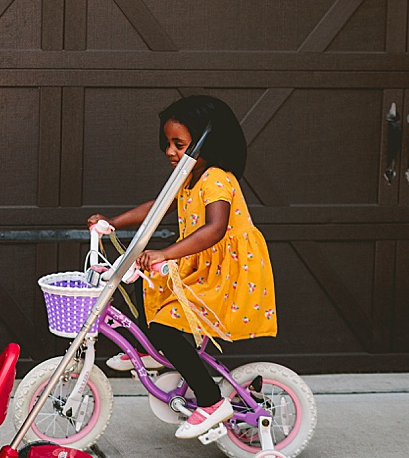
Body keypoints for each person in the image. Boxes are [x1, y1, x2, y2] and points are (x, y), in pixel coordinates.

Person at [87, 95, 277, 440]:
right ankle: (153, 352)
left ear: (208, 144)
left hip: (227, 274)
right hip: (202, 265)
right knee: (143, 282)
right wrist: (112, 221)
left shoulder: (216, 178)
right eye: (168, 143)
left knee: (166, 326)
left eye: (179, 144)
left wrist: (166, 253)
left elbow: (214, 229)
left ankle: (211, 401)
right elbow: (157, 206)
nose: (170, 152)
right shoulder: (188, 178)